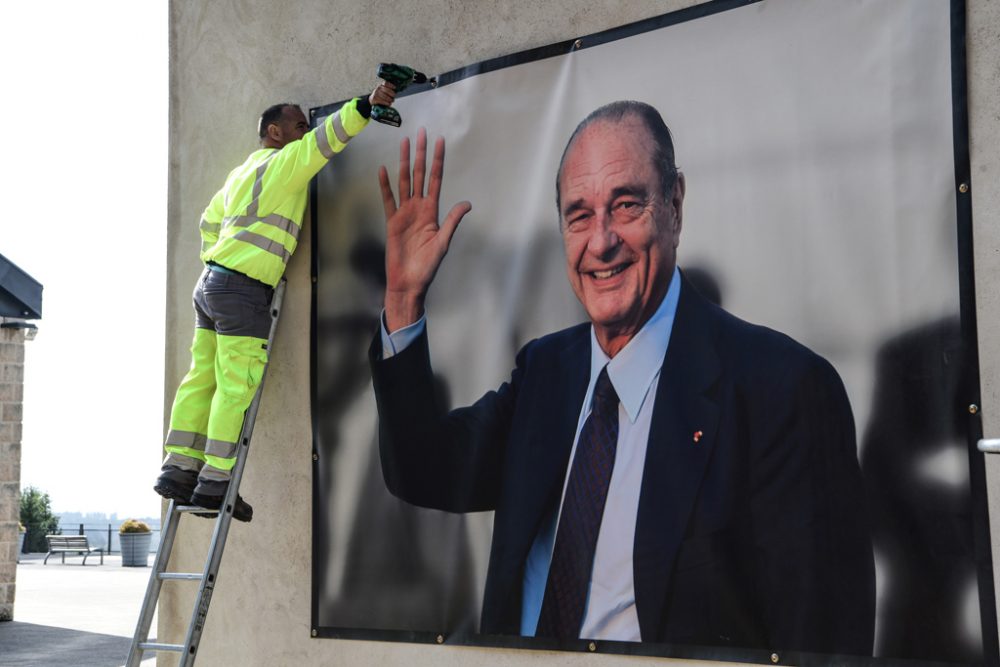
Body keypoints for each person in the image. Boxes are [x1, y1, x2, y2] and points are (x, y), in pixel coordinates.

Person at [369, 101, 875, 653]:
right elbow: (422, 469)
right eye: (579, 215)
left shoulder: (784, 391)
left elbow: (825, 639)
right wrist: (402, 300)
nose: (601, 240)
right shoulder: (545, 372)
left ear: (675, 206)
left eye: (627, 205)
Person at [154, 82, 396, 522]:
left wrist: (221, 258)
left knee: (201, 377)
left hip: (211, 283)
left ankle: (178, 469)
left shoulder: (242, 172)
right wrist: (365, 105)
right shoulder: (285, 164)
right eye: (300, 125)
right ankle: (214, 486)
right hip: (242, 289)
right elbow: (327, 141)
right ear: (276, 132)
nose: (308, 131)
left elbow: (208, 222)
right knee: (235, 384)